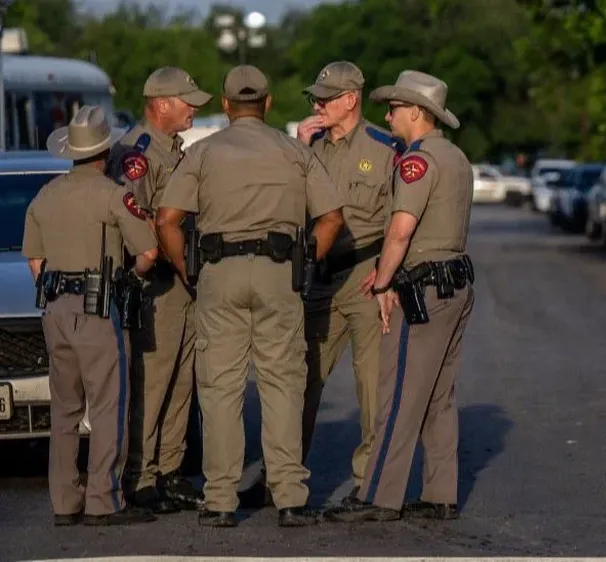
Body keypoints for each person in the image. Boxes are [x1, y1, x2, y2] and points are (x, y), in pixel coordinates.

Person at [155, 65, 348, 528]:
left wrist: (189, 271)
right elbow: (333, 218)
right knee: (283, 384)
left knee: (220, 388)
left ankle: (220, 499)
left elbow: (166, 219)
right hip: (279, 273)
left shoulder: (203, 153)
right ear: (267, 104)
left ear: (224, 106)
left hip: (218, 275)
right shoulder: (292, 152)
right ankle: (289, 497)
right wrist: (306, 264)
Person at [241, 61, 403, 509]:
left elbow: (403, 217)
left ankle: (368, 484)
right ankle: (279, 479)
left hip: (367, 275)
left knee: (371, 387)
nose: (317, 105)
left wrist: (392, 276)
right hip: (319, 279)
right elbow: (286, 206)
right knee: (296, 380)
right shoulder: (306, 150)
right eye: (315, 98)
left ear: (351, 99)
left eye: (325, 98)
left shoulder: (386, 147)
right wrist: (298, 150)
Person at [324, 70, 476, 523]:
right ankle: (439, 493)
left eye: (393, 107)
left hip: (424, 287)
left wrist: (385, 281)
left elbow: (400, 230)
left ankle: (377, 496)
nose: (386, 114)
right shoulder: (457, 157)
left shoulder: (418, 160)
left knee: (399, 395)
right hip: (456, 281)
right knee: (438, 395)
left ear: (416, 112)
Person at [23, 106, 160, 526]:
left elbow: (36, 260)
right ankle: (104, 499)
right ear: (105, 151)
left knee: (64, 410)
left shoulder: (46, 195)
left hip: (55, 308)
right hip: (97, 307)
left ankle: (64, 502)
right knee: (106, 405)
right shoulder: (114, 195)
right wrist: (125, 280)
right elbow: (148, 254)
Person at [109, 66, 212, 514]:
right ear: (161, 103)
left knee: (182, 379)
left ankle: (170, 470)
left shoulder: (175, 151)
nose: (194, 108)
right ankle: (140, 474)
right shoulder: (138, 153)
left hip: (185, 280)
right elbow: (137, 219)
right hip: (157, 284)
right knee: (151, 381)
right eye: (187, 101)